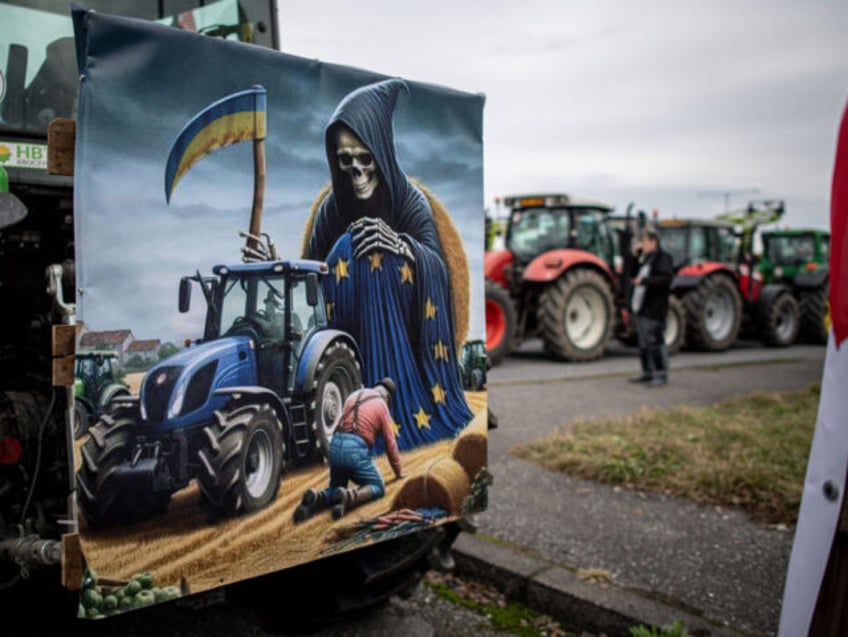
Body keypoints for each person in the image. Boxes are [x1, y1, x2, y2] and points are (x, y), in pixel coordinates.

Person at [303, 78, 472, 451]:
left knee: (377, 254)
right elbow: (310, 278)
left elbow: (437, 269)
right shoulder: (333, 208)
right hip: (347, 329)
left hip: (405, 328)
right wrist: (272, 267)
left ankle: (392, 398)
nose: (357, 175)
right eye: (346, 162)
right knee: (353, 244)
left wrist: (401, 245)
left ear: (381, 155)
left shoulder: (409, 202)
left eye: (366, 161)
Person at [293, 378, 404, 523]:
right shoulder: (381, 404)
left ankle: (316, 497)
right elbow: (390, 443)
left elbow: (340, 424)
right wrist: (398, 472)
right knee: (378, 486)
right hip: (355, 450)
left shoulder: (353, 396)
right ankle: (349, 497)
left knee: (335, 489)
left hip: (336, 445)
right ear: (388, 397)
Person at [628, 227, 674, 386]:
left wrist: (645, 282)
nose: (642, 244)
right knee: (644, 343)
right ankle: (648, 372)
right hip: (642, 307)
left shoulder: (663, 259)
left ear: (654, 242)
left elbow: (665, 280)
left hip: (655, 308)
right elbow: (632, 276)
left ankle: (661, 374)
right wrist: (634, 257)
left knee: (655, 342)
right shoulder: (645, 259)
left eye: (645, 241)